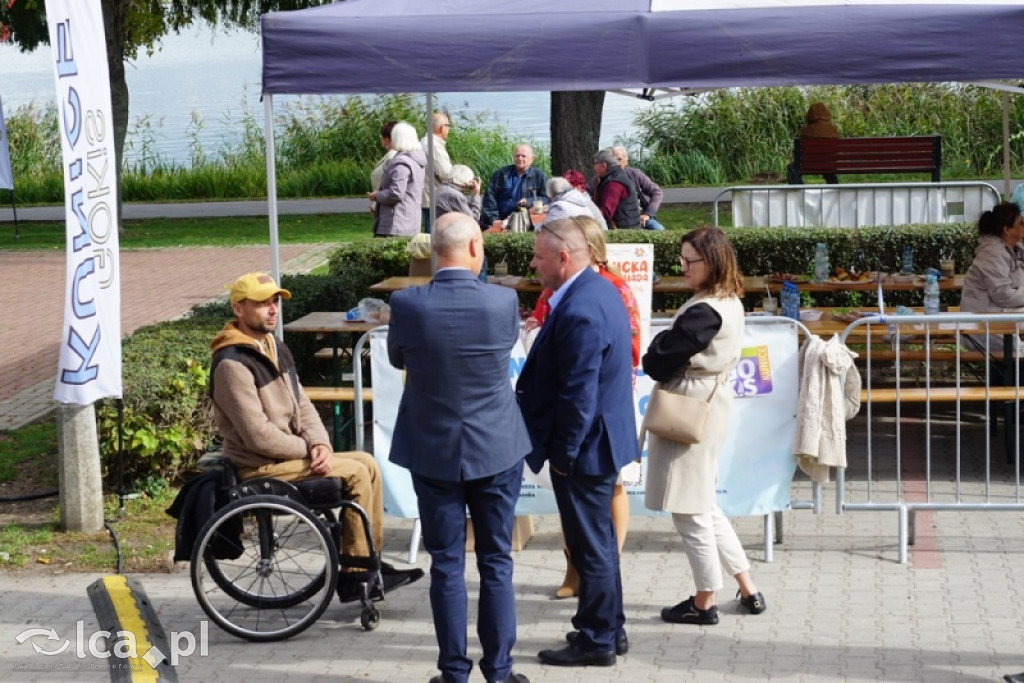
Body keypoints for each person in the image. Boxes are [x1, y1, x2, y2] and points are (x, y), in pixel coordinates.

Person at [208, 272, 424, 601]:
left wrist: (321, 443)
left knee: (368, 462)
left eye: (275, 301)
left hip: (289, 456)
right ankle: (356, 575)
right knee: (355, 471)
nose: (272, 308)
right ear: (238, 309)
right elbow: (258, 437)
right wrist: (309, 451)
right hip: (259, 466)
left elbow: (304, 405)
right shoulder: (232, 364)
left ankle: (366, 564)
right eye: (262, 302)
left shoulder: (272, 346)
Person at [388, 213, 532, 683]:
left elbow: (396, 358)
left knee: (446, 563)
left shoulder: (407, 304)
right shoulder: (502, 301)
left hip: (433, 448)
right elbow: (506, 347)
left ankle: (453, 672)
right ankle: (500, 671)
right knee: (496, 562)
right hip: (496, 445)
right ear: (475, 248)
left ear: (435, 253)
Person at [516, 218, 639, 668]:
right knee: (599, 542)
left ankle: (596, 639)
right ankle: (610, 626)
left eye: (539, 256)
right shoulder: (596, 289)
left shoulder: (582, 307)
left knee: (591, 545)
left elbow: (578, 392)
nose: (533, 263)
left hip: (586, 448)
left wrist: (564, 455)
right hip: (596, 442)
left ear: (563, 258)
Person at [642, 227, 766, 626]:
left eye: (688, 260)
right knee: (705, 504)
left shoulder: (704, 310)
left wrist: (659, 345)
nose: (682, 267)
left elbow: (656, 360)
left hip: (688, 409)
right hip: (709, 405)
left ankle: (704, 601)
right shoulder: (728, 301)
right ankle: (747, 588)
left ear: (710, 262)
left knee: (688, 510)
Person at [960, 202, 1024, 354]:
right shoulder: (992, 252)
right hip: (984, 325)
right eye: (1021, 223)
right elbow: (1003, 295)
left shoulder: (1016, 249)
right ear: (1007, 230)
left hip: (1001, 317)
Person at [368, 121, 425, 237]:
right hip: (410, 221)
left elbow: (396, 193)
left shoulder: (401, 163)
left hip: (396, 224)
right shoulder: (416, 160)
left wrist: (377, 196)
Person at [480, 144, 549, 229]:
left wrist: (529, 201)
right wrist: (494, 219)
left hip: (524, 221)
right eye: (517, 156)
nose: (520, 159)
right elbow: (489, 198)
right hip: (498, 219)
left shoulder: (539, 176)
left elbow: (547, 198)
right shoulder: (501, 174)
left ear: (532, 159)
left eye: (523, 156)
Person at [592, 147, 641, 229]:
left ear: (603, 166)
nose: (594, 167)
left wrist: (585, 216)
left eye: (595, 164)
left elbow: (606, 212)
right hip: (628, 228)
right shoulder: (617, 176)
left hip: (622, 232)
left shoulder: (614, 183)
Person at [421, 111, 454, 233]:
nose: (449, 130)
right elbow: (446, 173)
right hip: (435, 200)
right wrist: (462, 179)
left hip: (429, 198)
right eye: (448, 126)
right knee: (437, 237)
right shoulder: (433, 145)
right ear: (442, 128)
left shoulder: (425, 142)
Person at [794, 101, 840, 184]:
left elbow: (799, 150)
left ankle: (798, 188)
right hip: (828, 163)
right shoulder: (833, 129)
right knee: (828, 170)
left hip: (809, 164)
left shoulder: (805, 130)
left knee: (792, 168)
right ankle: (834, 187)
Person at [368, 120, 397, 215]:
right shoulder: (389, 156)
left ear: (387, 140)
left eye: (381, 137)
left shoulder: (393, 157)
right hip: (382, 206)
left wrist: (377, 200)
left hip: (390, 209)